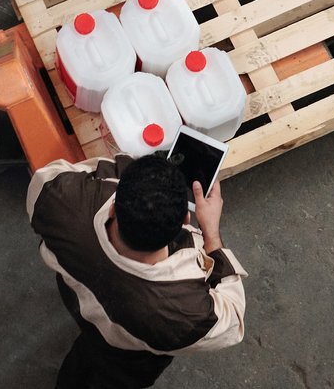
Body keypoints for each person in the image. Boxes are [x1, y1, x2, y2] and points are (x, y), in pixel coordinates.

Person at [28, 154, 247, 389]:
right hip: (128, 360)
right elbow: (232, 318)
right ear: (186, 218)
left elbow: (49, 175)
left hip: (78, 304)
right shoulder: (184, 313)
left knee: (79, 366)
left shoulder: (59, 200)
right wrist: (211, 234)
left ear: (113, 209)